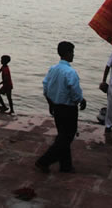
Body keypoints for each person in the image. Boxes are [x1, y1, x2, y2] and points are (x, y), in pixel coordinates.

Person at [35, 41, 86, 174]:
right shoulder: (70, 72)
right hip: (68, 109)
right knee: (66, 137)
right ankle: (44, 161)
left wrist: (50, 103)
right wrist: (81, 100)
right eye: (72, 52)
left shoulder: (53, 69)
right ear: (68, 53)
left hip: (56, 107)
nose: (73, 55)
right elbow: (75, 92)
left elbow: (45, 87)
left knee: (63, 135)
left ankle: (66, 165)